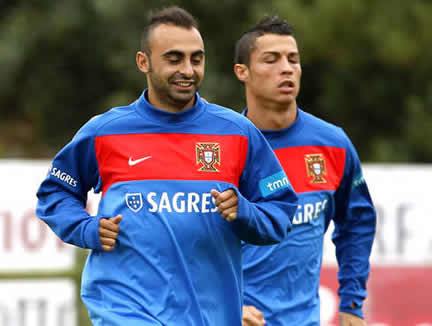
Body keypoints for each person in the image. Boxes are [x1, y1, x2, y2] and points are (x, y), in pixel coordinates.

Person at [36, 7, 298, 326]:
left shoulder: (237, 132)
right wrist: (86, 228)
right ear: (143, 62)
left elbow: (281, 210)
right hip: (125, 308)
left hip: (209, 314)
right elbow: (56, 192)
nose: (187, 70)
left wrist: (244, 212)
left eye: (196, 59)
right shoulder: (105, 131)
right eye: (174, 59)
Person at [233, 17, 376, 326]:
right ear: (242, 71)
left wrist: (352, 301)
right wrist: (228, 306)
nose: (286, 68)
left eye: (293, 59)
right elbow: (190, 242)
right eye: (271, 60)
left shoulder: (333, 144)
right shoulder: (223, 148)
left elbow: (357, 222)